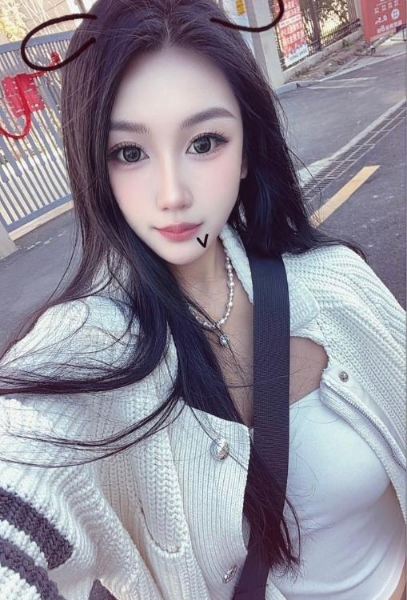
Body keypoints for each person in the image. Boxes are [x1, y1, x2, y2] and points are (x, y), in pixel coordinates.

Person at [0, 1, 405, 599]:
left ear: (247, 153)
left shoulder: (336, 280)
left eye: (205, 142)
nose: (172, 194)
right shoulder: (89, 352)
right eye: (129, 152)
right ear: (95, 166)